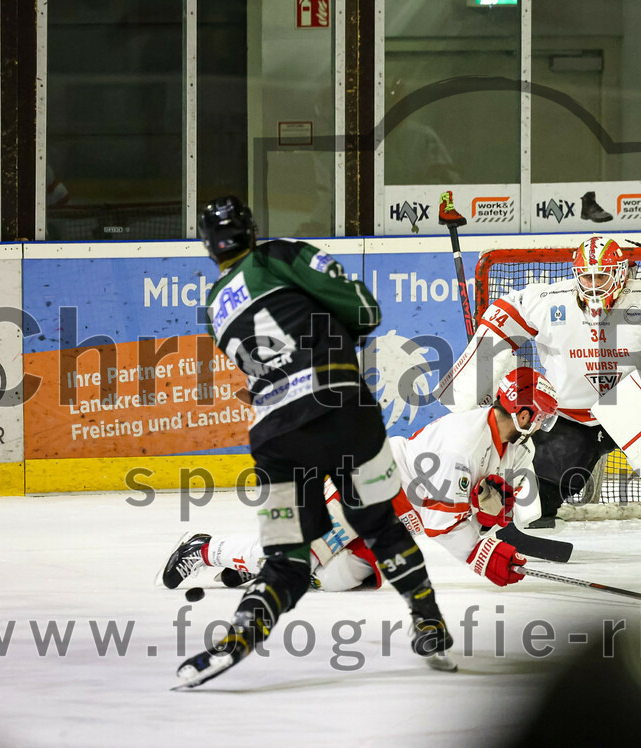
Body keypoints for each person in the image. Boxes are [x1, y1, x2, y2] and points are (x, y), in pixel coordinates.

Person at [178, 195, 454, 687]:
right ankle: (429, 621)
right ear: (251, 230)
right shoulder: (279, 255)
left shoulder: (214, 306)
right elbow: (365, 310)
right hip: (342, 408)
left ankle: (242, 632)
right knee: (379, 525)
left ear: (208, 246)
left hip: (275, 436)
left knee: (287, 558)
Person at [434, 234, 641, 557]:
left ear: (620, 273)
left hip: (638, 411)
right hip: (572, 416)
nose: (593, 284)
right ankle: (518, 517)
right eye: (586, 277)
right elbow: (502, 315)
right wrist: (472, 385)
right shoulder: (549, 301)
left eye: (601, 276)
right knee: (540, 490)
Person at [160, 367, 559, 593]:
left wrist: (490, 519)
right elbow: (443, 523)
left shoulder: (513, 447)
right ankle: (206, 548)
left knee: (337, 580)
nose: (543, 423)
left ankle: (258, 568)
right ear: (523, 414)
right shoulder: (464, 443)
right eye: (540, 414)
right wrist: (483, 554)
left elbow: (479, 507)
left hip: (399, 519)